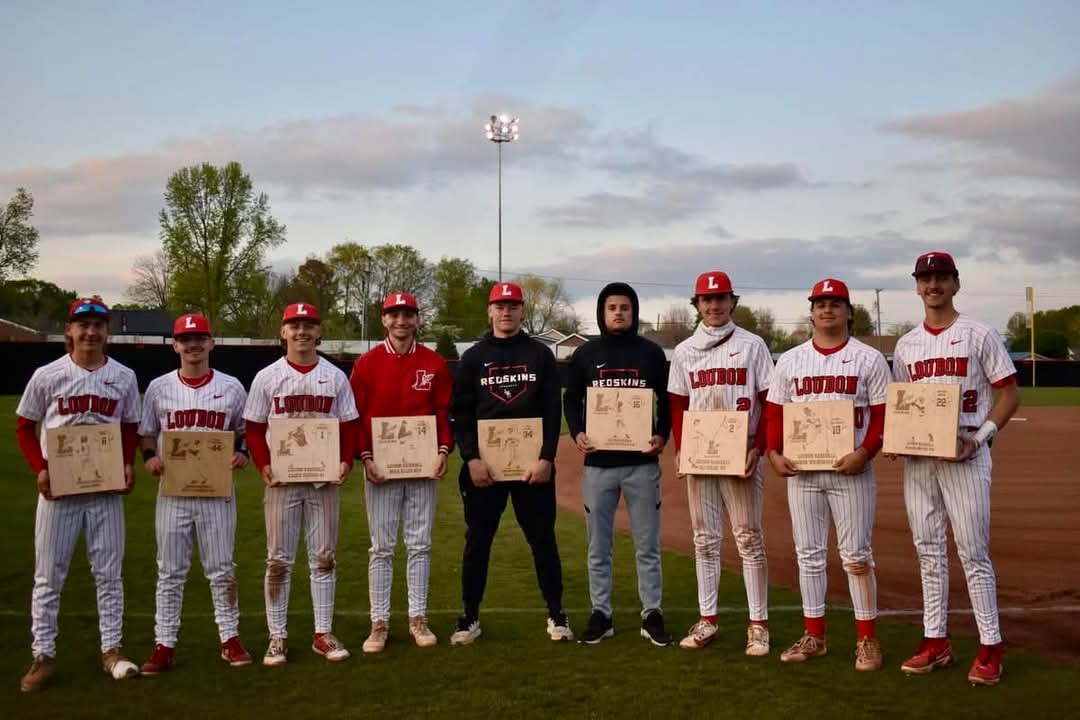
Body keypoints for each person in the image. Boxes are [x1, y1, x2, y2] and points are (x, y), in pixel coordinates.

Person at [892, 252, 1020, 686]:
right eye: (926, 278)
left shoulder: (979, 333)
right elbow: (903, 404)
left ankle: (991, 647)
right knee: (928, 551)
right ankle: (936, 641)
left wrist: (981, 437)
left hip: (966, 451)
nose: (933, 285)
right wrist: (898, 437)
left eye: (941, 277)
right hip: (920, 460)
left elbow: (1009, 395)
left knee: (972, 552)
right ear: (917, 286)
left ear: (955, 283)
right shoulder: (907, 345)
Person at [15, 299, 141, 691]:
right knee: (49, 575)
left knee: (109, 574)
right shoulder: (48, 374)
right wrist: (41, 467)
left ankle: (111, 649)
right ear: (69, 330)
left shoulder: (123, 376)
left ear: (108, 332)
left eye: (98, 325)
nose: (90, 332)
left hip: (104, 488)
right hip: (61, 489)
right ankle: (44, 655)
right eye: (82, 325)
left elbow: (130, 425)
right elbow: (24, 426)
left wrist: (127, 463)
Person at [764, 279, 889, 671]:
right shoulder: (791, 360)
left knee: (856, 556)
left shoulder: (868, 358)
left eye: (835, 303)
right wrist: (772, 451)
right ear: (812, 310)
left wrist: (866, 451)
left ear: (849, 311)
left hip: (850, 470)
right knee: (810, 556)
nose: (827, 309)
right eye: (820, 303)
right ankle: (814, 634)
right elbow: (775, 413)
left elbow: (884, 415)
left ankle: (867, 640)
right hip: (803, 472)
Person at [449, 281, 572, 645]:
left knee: (543, 541)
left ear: (522, 311)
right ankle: (469, 617)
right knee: (477, 543)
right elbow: (461, 412)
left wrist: (547, 457)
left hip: (532, 469)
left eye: (513, 305)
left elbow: (553, 410)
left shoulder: (539, 355)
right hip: (485, 470)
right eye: (499, 306)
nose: (506, 312)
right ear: (489, 311)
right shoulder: (473, 357)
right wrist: (471, 458)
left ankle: (556, 613)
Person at [243, 302, 359, 667]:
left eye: (309, 325)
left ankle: (322, 633)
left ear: (319, 332)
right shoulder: (267, 376)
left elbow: (348, 426)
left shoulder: (335, 376)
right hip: (282, 481)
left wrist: (345, 460)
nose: (302, 332)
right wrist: (263, 465)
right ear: (283, 332)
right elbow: (254, 428)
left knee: (324, 557)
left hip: (322, 481)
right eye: (294, 325)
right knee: (278, 560)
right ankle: (277, 637)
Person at [136, 313, 253, 674]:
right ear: (175, 345)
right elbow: (146, 433)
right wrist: (150, 458)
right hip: (173, 493)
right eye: (186, 339)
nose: (193, 345)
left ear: (211, 343)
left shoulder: (232, 386)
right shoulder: (158, 387)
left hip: (217, 492)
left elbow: (245, 431)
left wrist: (243, 453)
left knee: (222, 569)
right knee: (170, 571)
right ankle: (164, 643)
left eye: (200, 338)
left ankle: (229, 639)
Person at [667, 271, 773, 655]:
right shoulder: (684, 351)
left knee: (748, 537)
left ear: (733, 301)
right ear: (696, 304)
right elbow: (678, 403)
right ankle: (707, 619)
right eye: (706, 300)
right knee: (704, 540)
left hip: (740, 453)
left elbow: (769, 401)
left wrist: (757, 448)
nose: (714, 305)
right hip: (701, 455)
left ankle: (758, 624)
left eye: (721, 298)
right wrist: (682, 448)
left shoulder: (753, 345)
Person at [563, 282, 673, 646]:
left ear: (634, 311)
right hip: (598, 464)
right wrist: (577, 431)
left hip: (641, 464)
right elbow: (572, 399)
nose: (619, 313)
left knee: (647, 545)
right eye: (612, 307)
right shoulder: (586, 354)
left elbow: (667, 402)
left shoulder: (652, 354)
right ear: (602, 312)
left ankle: (652, 613)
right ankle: (601, 613)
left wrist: (661, 435)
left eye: (625, 307)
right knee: (599, 546)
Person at [349, 292, 453, 652]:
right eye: (395, 315)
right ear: (384, 320)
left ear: (417, 320)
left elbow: (443, 413)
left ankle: (417, 618)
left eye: (408, 315)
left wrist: (443, 451)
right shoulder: (366, 364)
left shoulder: (434, 363)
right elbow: (357, 417)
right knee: (381, 547)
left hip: (423, 467)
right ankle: (379, 622)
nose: (402, 322)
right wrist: (365, 457)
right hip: (380, 467)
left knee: (420, 545)